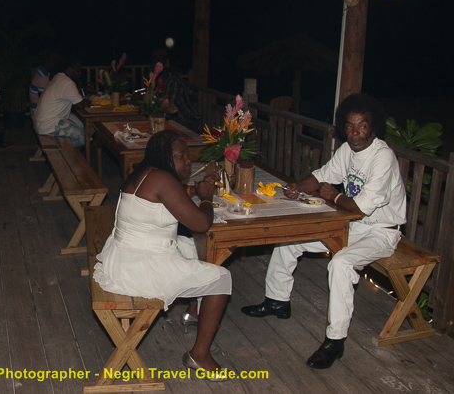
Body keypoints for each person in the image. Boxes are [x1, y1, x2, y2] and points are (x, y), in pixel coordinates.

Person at [241, 93, 405, 369]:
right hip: (353, 224)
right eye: (350, 126)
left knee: (341, 264)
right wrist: (295, 186)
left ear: (373, 127)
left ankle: (335, 341)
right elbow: (321, 176)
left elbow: (360, 207)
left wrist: (335, 197)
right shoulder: (347, 150)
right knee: (290, 239)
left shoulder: (383, 157)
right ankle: (277, 301)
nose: (355, 133)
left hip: (381, 232)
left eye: (362, 126)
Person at [93, 130, 231, 379]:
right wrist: (206, 199)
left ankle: (195, 310)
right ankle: (199, 355)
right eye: (181, 156)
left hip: (126, 254)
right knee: (222, 278)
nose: (188, 161)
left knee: (200, 250)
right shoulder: (163, 180)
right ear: (166, 156)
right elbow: (201, 223)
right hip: (143, 265)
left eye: (188, 156)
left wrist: (193, 191)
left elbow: (168, 198)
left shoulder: (144, 172)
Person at [32, 59, 87, 147]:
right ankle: (67, 151)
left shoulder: (58, 77)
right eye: (78, 70)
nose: (80, 73)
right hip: (48, 124)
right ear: (70, 69)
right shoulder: (67, 82)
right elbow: (80, 105)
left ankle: (69, 148)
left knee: (79, 123)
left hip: (40, 121)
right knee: (84, 135)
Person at [151, 50, 202, 130]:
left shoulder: (173, 82)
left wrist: (150, 106)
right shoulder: (162, 82)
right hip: (176, 119)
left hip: (187, 120)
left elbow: (167, 106)